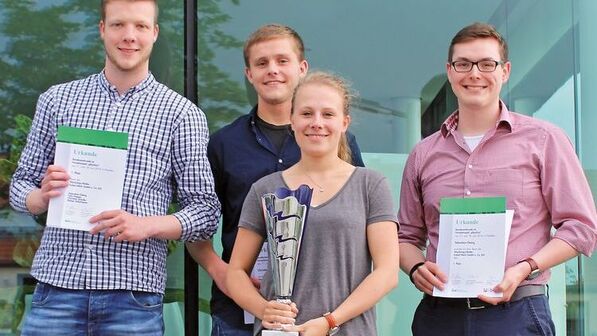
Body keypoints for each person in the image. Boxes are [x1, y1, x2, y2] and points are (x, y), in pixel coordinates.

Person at [9, 0, 220, 334]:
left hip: (133, 299)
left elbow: (206, 212)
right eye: (119, 25)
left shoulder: (181, 114)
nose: (129, 36)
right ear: (102, 30)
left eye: (139, 26)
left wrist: (147, 226)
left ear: (154, 33)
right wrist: (41, 197)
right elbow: (21, 184)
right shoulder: (58, 100)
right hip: (57, 289)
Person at [398, 22, 597, 336]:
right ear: (449, 71)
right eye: (463, 64)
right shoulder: (423, 154)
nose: (474, 73)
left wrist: (525, 267)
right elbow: (406, 238)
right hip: (439, 317)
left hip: (517, 313)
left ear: (505, 71)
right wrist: (416, 267)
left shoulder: (544, 140)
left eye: (487, 64)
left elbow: (581, 227)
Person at [186, 24, 364, 335]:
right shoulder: (223, 144)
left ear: (302, 68)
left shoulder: (336, 140)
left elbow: (361, 226)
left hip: (321, 314)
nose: (273, 71)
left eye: (282, 61)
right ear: (249, 74)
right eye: (262, 63)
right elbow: (196, 222)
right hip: (238, 314)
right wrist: (224, 273)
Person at [226, 71, 399, 336]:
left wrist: (330, 322)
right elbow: (236, 271)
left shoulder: (370, 185)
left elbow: (387, 273)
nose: (316, 123)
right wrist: (263, 310)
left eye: (328, 114)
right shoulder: (266, 189)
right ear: (292, 120)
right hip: (281, 332)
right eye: (306, 114)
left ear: (344, 122)